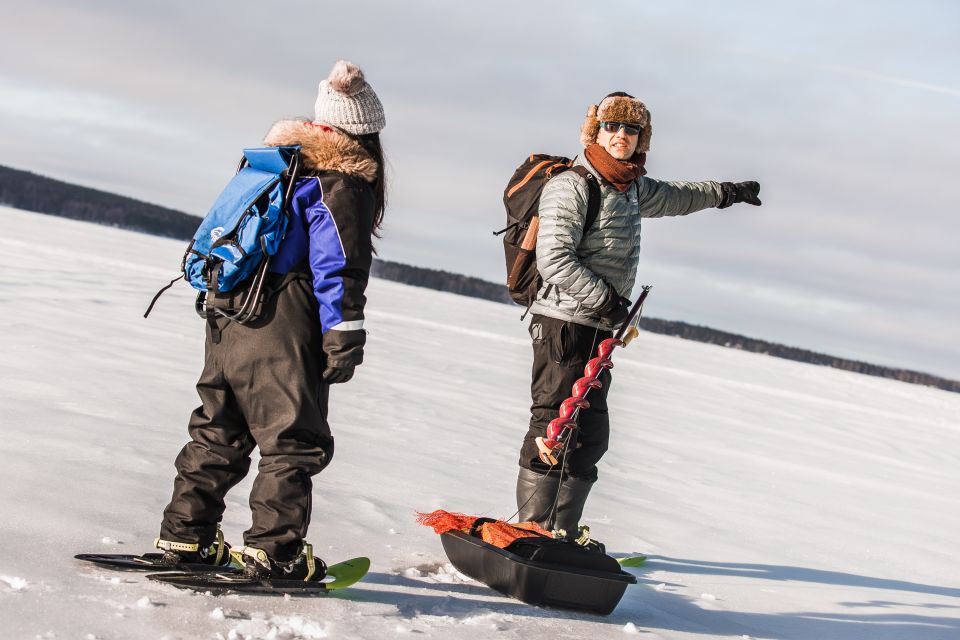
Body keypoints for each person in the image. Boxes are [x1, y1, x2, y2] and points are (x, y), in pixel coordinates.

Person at [154, 60, 387, 581]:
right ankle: (273, 551)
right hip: (283, 317)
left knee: (218, 429)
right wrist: (344, 334)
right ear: (366, 133)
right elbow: (337, 264)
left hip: (226, 311)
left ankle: (184, 537)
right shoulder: (340, 180)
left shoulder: (272, 167)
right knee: (293, 439)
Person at [515, 92, 761, 542]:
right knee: (552, 426)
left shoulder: (629, 187)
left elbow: (677, 197)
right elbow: (554, 259)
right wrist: (606, 301)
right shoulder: (573, 185)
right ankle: (531, 532)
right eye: (612, 127)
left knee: (589, 436)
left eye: (631, 130)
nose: (621, 137)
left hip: (599, 329)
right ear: (596, 131)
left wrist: (726, 193)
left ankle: (561, 533)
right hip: (563, 324)